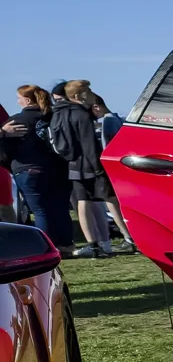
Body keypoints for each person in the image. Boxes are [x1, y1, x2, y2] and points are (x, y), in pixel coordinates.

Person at [0, 85, 72, 247]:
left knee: (40, 211)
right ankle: (66, 244)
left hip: (28, 169)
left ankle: (46, 246)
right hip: (59, 168)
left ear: (27, 100)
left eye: (19, 99)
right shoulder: (54, 116)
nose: (17, 102)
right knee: (60, 208)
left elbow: (4, 150)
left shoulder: (16, 121)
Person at [51, 81, 112, 257]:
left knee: (83, 202)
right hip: (89, 164)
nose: (91, 93)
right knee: (107, 200)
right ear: (77, 96)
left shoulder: (59, 113)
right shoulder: (81, 114)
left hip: (73, 164)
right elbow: (89, 145)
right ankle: (116, 240)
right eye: (88, 91)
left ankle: (93, 244)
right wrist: (99, 168)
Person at [80, 88, 135, 252]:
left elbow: (106, 145)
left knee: (112, 202)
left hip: (110, 169)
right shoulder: (117, 119)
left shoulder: (107, 121)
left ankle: (129, 238)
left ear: (96, 107)